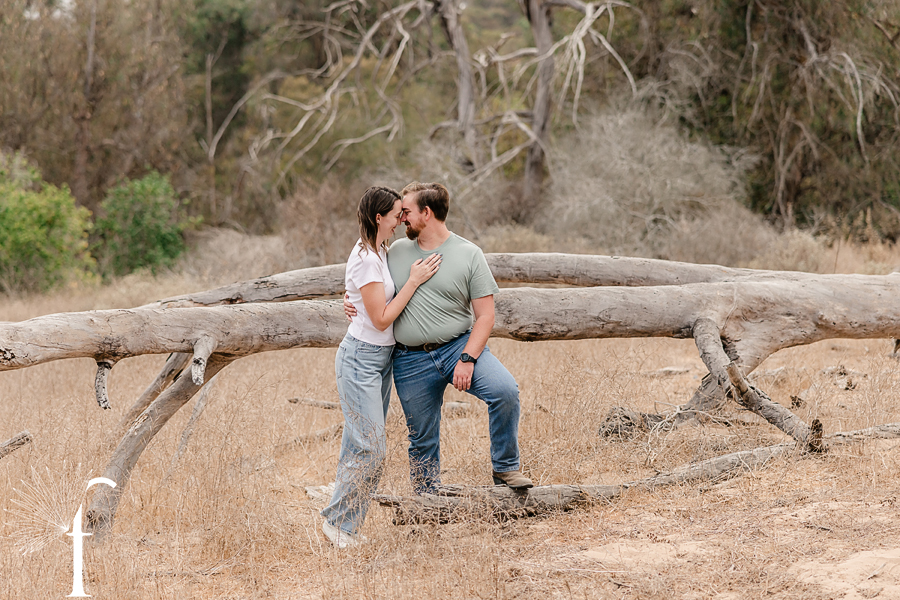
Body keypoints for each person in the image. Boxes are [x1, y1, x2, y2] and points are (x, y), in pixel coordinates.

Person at [346, 182, 532, 495]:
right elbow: (368, 280)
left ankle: (505, 468)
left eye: (406, 211)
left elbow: (486, 316)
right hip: (410, 358)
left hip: (458, 347)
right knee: (422, 437)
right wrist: (348, 298)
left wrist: (468, 359)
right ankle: (427, 501)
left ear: (427, 213)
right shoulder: (395, 252)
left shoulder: (469, 254)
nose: (401, 218)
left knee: (505, 391)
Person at [321, 186, 441, 549]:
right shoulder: (367, 258)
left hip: (380, 360)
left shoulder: (381, 250)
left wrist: (349, 296)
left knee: (358, 444)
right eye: (396, 215)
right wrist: (416, 281)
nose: (401, 219)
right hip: (360, 358)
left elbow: (368, 296)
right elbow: (380, 317)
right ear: (379, 218)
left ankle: (339, 521)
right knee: (371, 448)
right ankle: (340, 525)